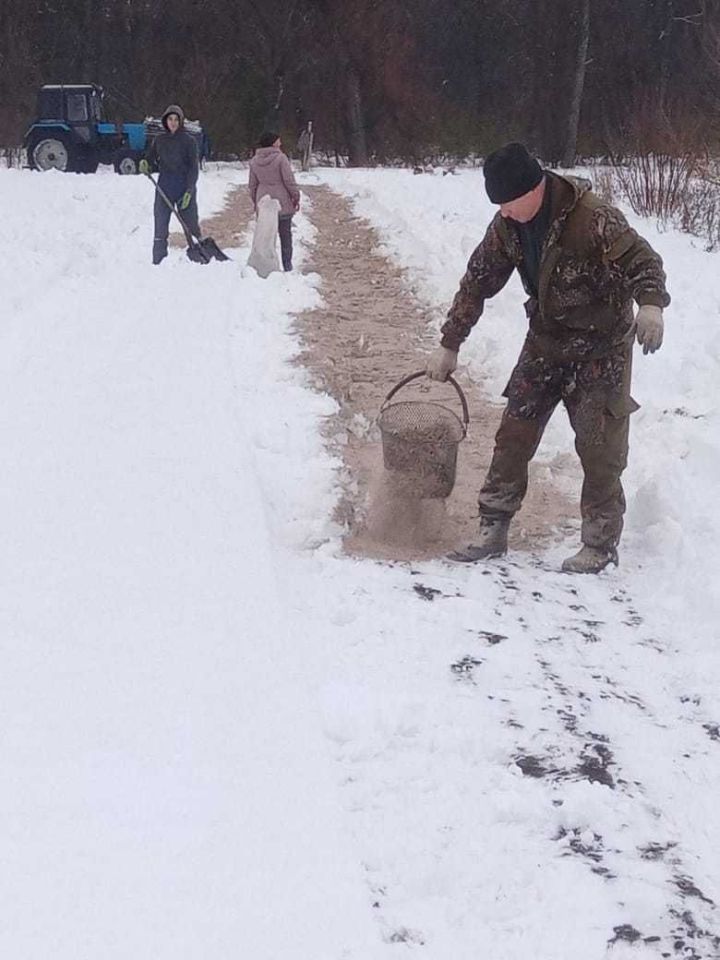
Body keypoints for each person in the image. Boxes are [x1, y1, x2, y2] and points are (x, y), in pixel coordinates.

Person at [426, 142, 670, 574]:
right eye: (497, 204)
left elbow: (643, 261)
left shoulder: (593, 218)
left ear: (533, 188)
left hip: (601, 349)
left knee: (600, 448)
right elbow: (477, 282)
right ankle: (493, 525)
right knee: (514, 432)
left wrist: (651, 304)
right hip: (546, 343)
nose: (502, 212)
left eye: (508, 202)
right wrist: (450, 343)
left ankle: (599, 542)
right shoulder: (507, 227)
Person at [139, 104, 201, 265]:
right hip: (164, 188)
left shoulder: (189, 141)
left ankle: (199, 258)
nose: (173, 122)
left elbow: (194, 168)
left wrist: (189, 190)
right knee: (160, 226)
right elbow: (150, 159)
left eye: (176, 119)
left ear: (181, 121)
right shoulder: (159, 140)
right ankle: (158, 262)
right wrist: (145, 163)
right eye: (170, 119)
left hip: (184, 188)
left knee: (191, 226)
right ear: (165, 121)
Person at [248, 131, 300, 272]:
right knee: (285, 236)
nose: (280, 143)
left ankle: (265, 266)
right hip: (281, 201)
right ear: (273, 143)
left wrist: (256, 202)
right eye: (278, 141)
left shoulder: (254, 161)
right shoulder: (281, 159)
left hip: (264, 202)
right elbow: (288, 180)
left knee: (266, 236)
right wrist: (295, 196)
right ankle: (287, 265)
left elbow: (252, 185)